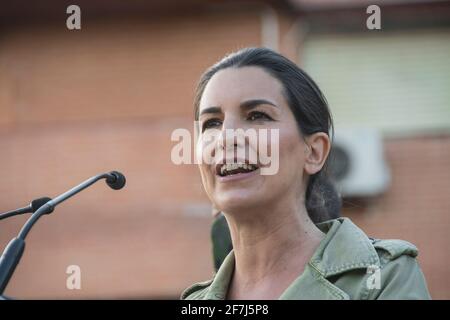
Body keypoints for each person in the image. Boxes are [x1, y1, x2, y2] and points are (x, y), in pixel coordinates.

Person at [182, 47, 430, 300]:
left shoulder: (386, 277)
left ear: (313, 152)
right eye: (212, 123)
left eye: (257, 116)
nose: (226, 137)